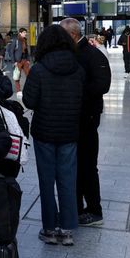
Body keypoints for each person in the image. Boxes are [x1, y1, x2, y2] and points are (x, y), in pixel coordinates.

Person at [22, 25, 85, 246]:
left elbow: (29, 101)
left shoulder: (39, 69)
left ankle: (49, 229)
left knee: (46, 182)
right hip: (69, 132)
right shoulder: (77, 68)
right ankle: (67, 230)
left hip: (44, 133)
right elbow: (82, 100)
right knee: (68, 180)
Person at [59, 18, 111, 228]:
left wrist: (74, 93)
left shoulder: (91, 54)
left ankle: (94, 210)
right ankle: (77, 208)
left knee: (87, 165)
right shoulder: (73, 53)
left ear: (72, 35)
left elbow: (102, 85)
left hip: (87, 118)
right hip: (74, 117)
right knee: (75, 165)